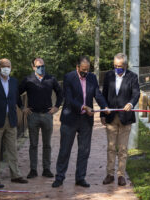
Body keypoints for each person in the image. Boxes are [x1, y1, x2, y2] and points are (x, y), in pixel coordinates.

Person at [52, 56, 109, 188]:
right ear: (77, 67)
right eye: (83, 69)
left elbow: (97, 94)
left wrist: (104, 106)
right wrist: (83, 107)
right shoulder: (69, 77)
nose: (85, 72)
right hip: (70, 118)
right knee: (65, 149)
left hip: (86, 120)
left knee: (84, 150)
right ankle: (59, 177)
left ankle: (80, 178)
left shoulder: (92, 77)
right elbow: (69, 98)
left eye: (87, 69)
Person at [19, 58, 63, 179]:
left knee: (47, 144)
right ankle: (33, 169)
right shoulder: (28, 80)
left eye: (42, 65)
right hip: (33, 115)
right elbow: (16, 92)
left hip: (47, 115)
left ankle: (46, 169)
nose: (41, 68)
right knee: (33, 144)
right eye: (38, 66)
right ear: (33, 67)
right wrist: (22, 108)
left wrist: (56, 107)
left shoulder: (51, 79)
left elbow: (60, 93)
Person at [100, 53, 140, 186]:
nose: (117, 68)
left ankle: (121, 175)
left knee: (122, 148)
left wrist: (131, 103)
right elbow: (104, 94)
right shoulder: (109, 76)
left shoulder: (132, 77)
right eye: (115, 66)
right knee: (111, 147)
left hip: (125, 117)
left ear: (125, 65)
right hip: (111, 116)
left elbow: (136, 93)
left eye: (120, 66)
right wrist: (102, 114)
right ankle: (110, 174)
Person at [0, 58, 28, 184]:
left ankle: (15, 174)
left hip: (11, 119)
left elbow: (16, 97)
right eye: (4, 66)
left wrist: (22, 107)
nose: (6, 68)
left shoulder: (14, 81)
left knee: (13, 148)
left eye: (8, 66)